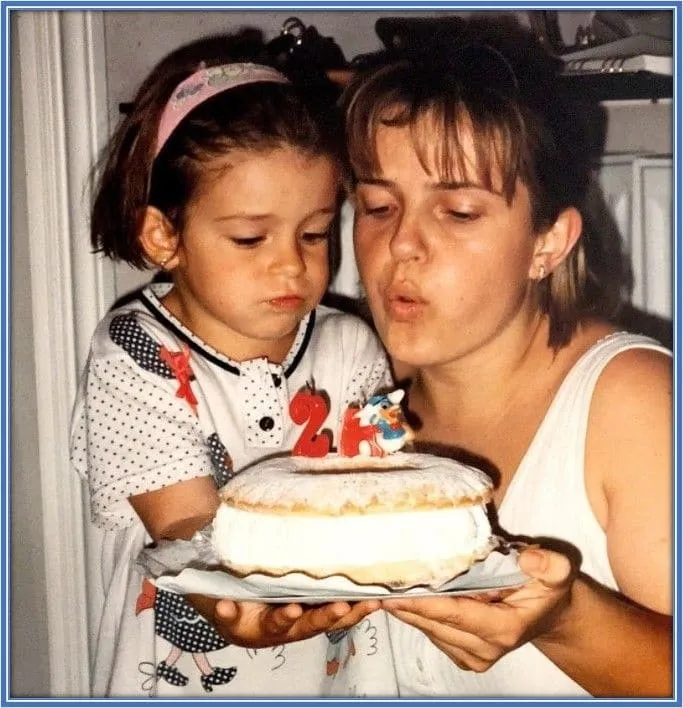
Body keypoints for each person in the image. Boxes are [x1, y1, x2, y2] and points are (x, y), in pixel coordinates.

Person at [326, 13, 672, 697]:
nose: (400, 246)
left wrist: (565, 617)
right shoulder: (356, 391)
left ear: (548, 242)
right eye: (376, 206)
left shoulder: (633, 402)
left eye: (457, 212)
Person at [70, 30, 387, 697]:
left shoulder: (349, 345)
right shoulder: (136, 353)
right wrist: (234, 610)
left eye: (313, 233)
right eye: (250, 237)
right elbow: (184, 525)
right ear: (164, 235)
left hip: (332, 672)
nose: (291, 263)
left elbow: (383, 479)